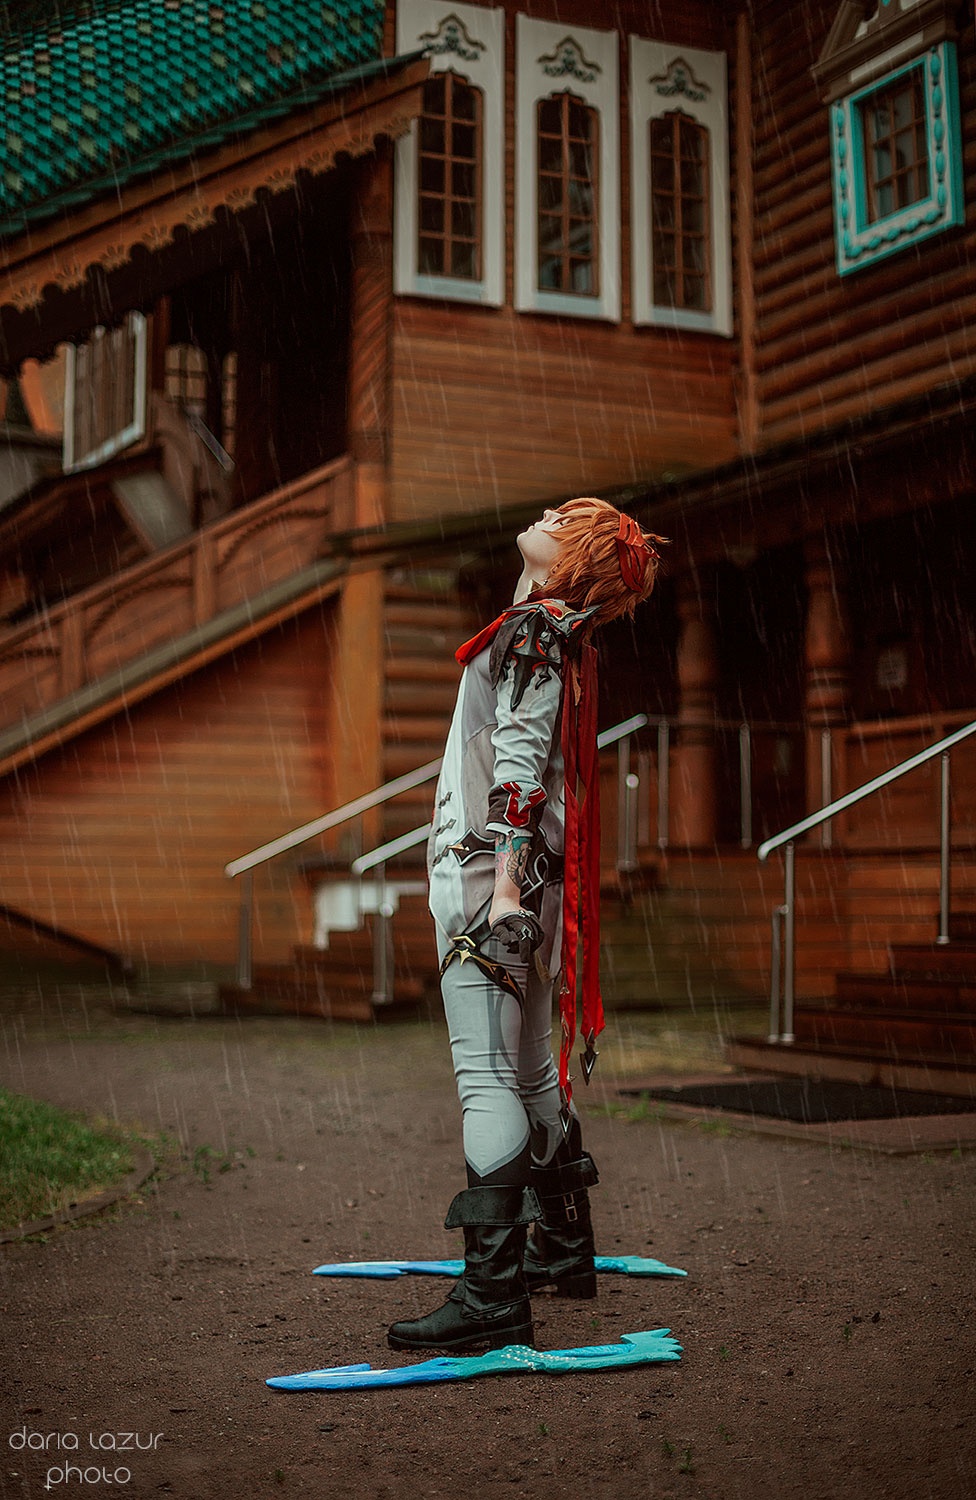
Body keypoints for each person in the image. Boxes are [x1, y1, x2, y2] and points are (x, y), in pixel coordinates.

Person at [387, 497, 664, 1354]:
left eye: (565, 517)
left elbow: (517, 773)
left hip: (492, 884)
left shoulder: (538, 633)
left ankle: (492, 1294)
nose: (547, 512)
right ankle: (565, 1246)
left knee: (486, 1077)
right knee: (532, 1069)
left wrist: (504, 893)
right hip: (525, 886)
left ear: (574, 559)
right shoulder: (553, 633)